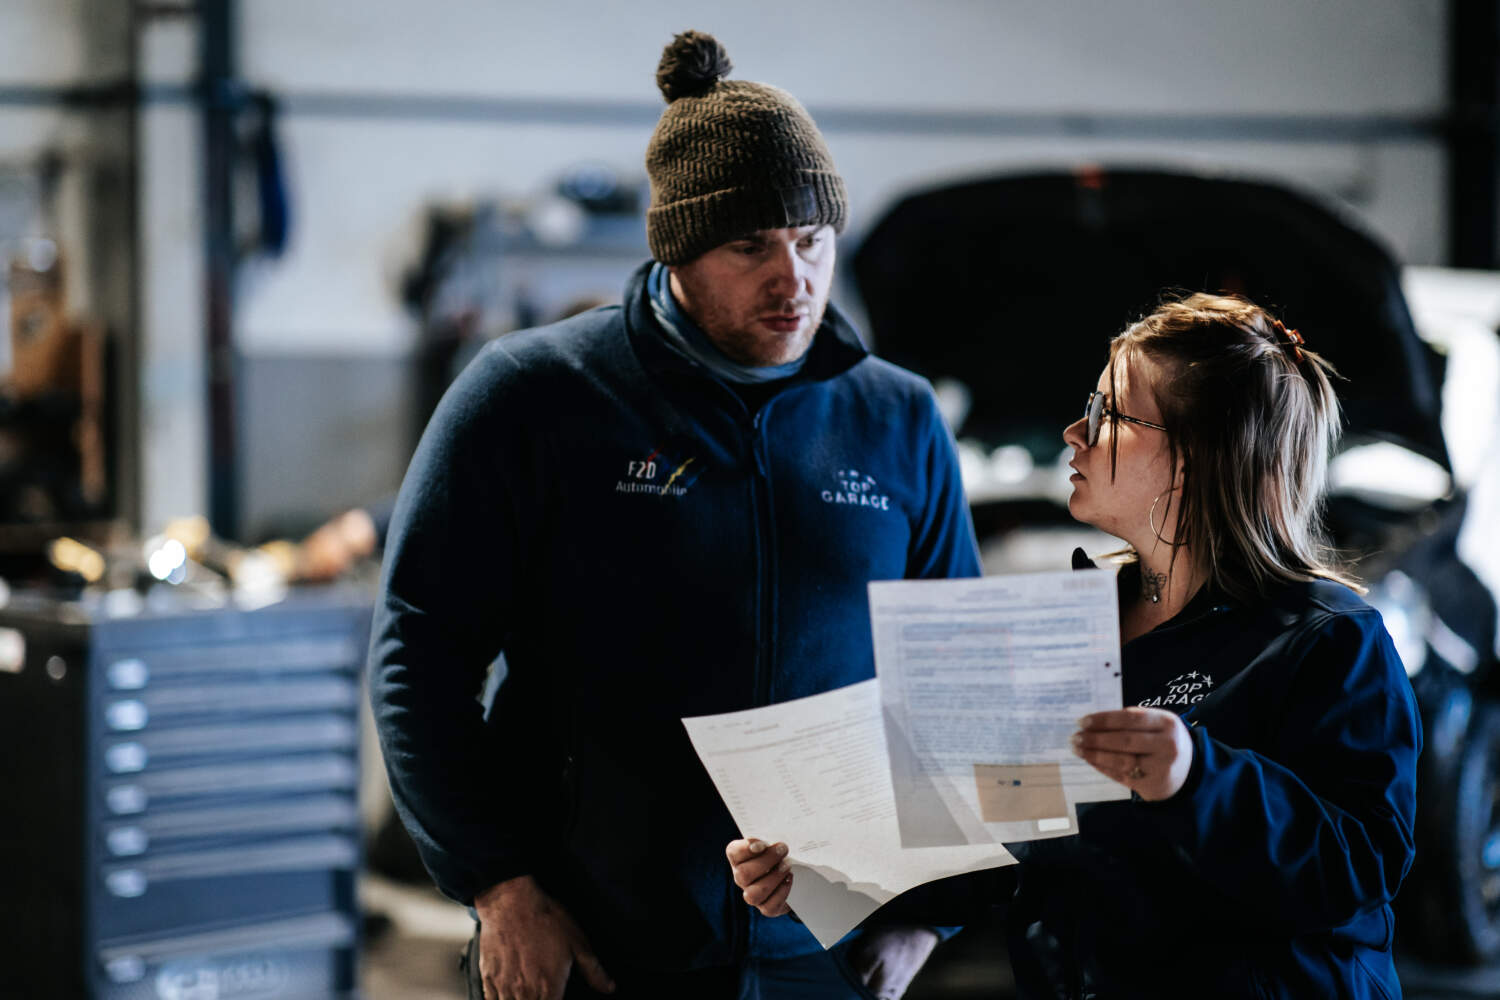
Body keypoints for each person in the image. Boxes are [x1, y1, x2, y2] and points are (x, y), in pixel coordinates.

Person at [370, 29, 986, 1000]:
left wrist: (928, 914)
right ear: (680, 249)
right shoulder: (535, 395)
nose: (795, 278)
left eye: (813, 240)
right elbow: (419, 653)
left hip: (826, 956)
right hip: (592, 943)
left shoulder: (894, 415)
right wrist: (500, 886)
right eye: (752, 246)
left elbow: (954, 683)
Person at [729, 293, 1422, 999]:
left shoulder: (1328, 635)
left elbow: (1359, 868)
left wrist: (1198, 776)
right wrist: (830, 875)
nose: (1074, 432)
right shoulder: (1075, 620)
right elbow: (1022, 830)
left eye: (1108, 415)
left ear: (1193, 456)